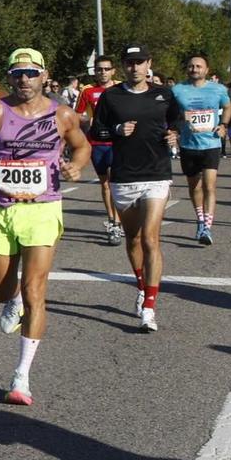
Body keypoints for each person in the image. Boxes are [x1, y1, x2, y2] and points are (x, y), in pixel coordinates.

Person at [0, 50, 91, 405]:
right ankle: (13, 299)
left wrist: (75, 167)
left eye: (31, 73)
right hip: (2, 210)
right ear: (10, 76)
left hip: (42, 209)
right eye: (18, 73)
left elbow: (82, 148)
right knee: (2, 291)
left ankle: (21, 376)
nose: (24, 79)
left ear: (44, 75)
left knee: (37, 290)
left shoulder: (62, 114)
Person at [94, 47, 183, 332]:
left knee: (150, 239)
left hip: (156, 174)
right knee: (132, 239)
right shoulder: (111, 96)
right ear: (123, 66)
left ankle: (150, 307)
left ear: (149, 64)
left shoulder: (163, 94)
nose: (134, 68)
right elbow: (97, 130)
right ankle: (142, 286)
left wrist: (174, 133)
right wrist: (117, 130)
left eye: (139, 62)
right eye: (130, 63)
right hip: (124, 177)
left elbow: (178, 120)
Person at [170, 54, 231, 246]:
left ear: (206, 70)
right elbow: (171, 114)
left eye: (198, 66)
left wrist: (223, 125)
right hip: (188, 145)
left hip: (211, 144)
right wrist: (177, 127)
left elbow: (228, 107)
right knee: (194, 187)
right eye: (191, 66)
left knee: (209, 186)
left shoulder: (218, 89)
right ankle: (199, 220)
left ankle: (207, 226)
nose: (194, 69)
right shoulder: (177, 90)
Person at [75, 56, 122, 245]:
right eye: (99, 69)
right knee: (105, 184)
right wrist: (87, 120)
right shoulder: (88, 92)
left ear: (113, 71)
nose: (103, 72)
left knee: (114, 182)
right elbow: (78, 115)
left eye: (106, 69)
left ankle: (117, 224)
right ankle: (111, 219)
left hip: (117, 143)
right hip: (96, 143)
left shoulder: (120, 89)